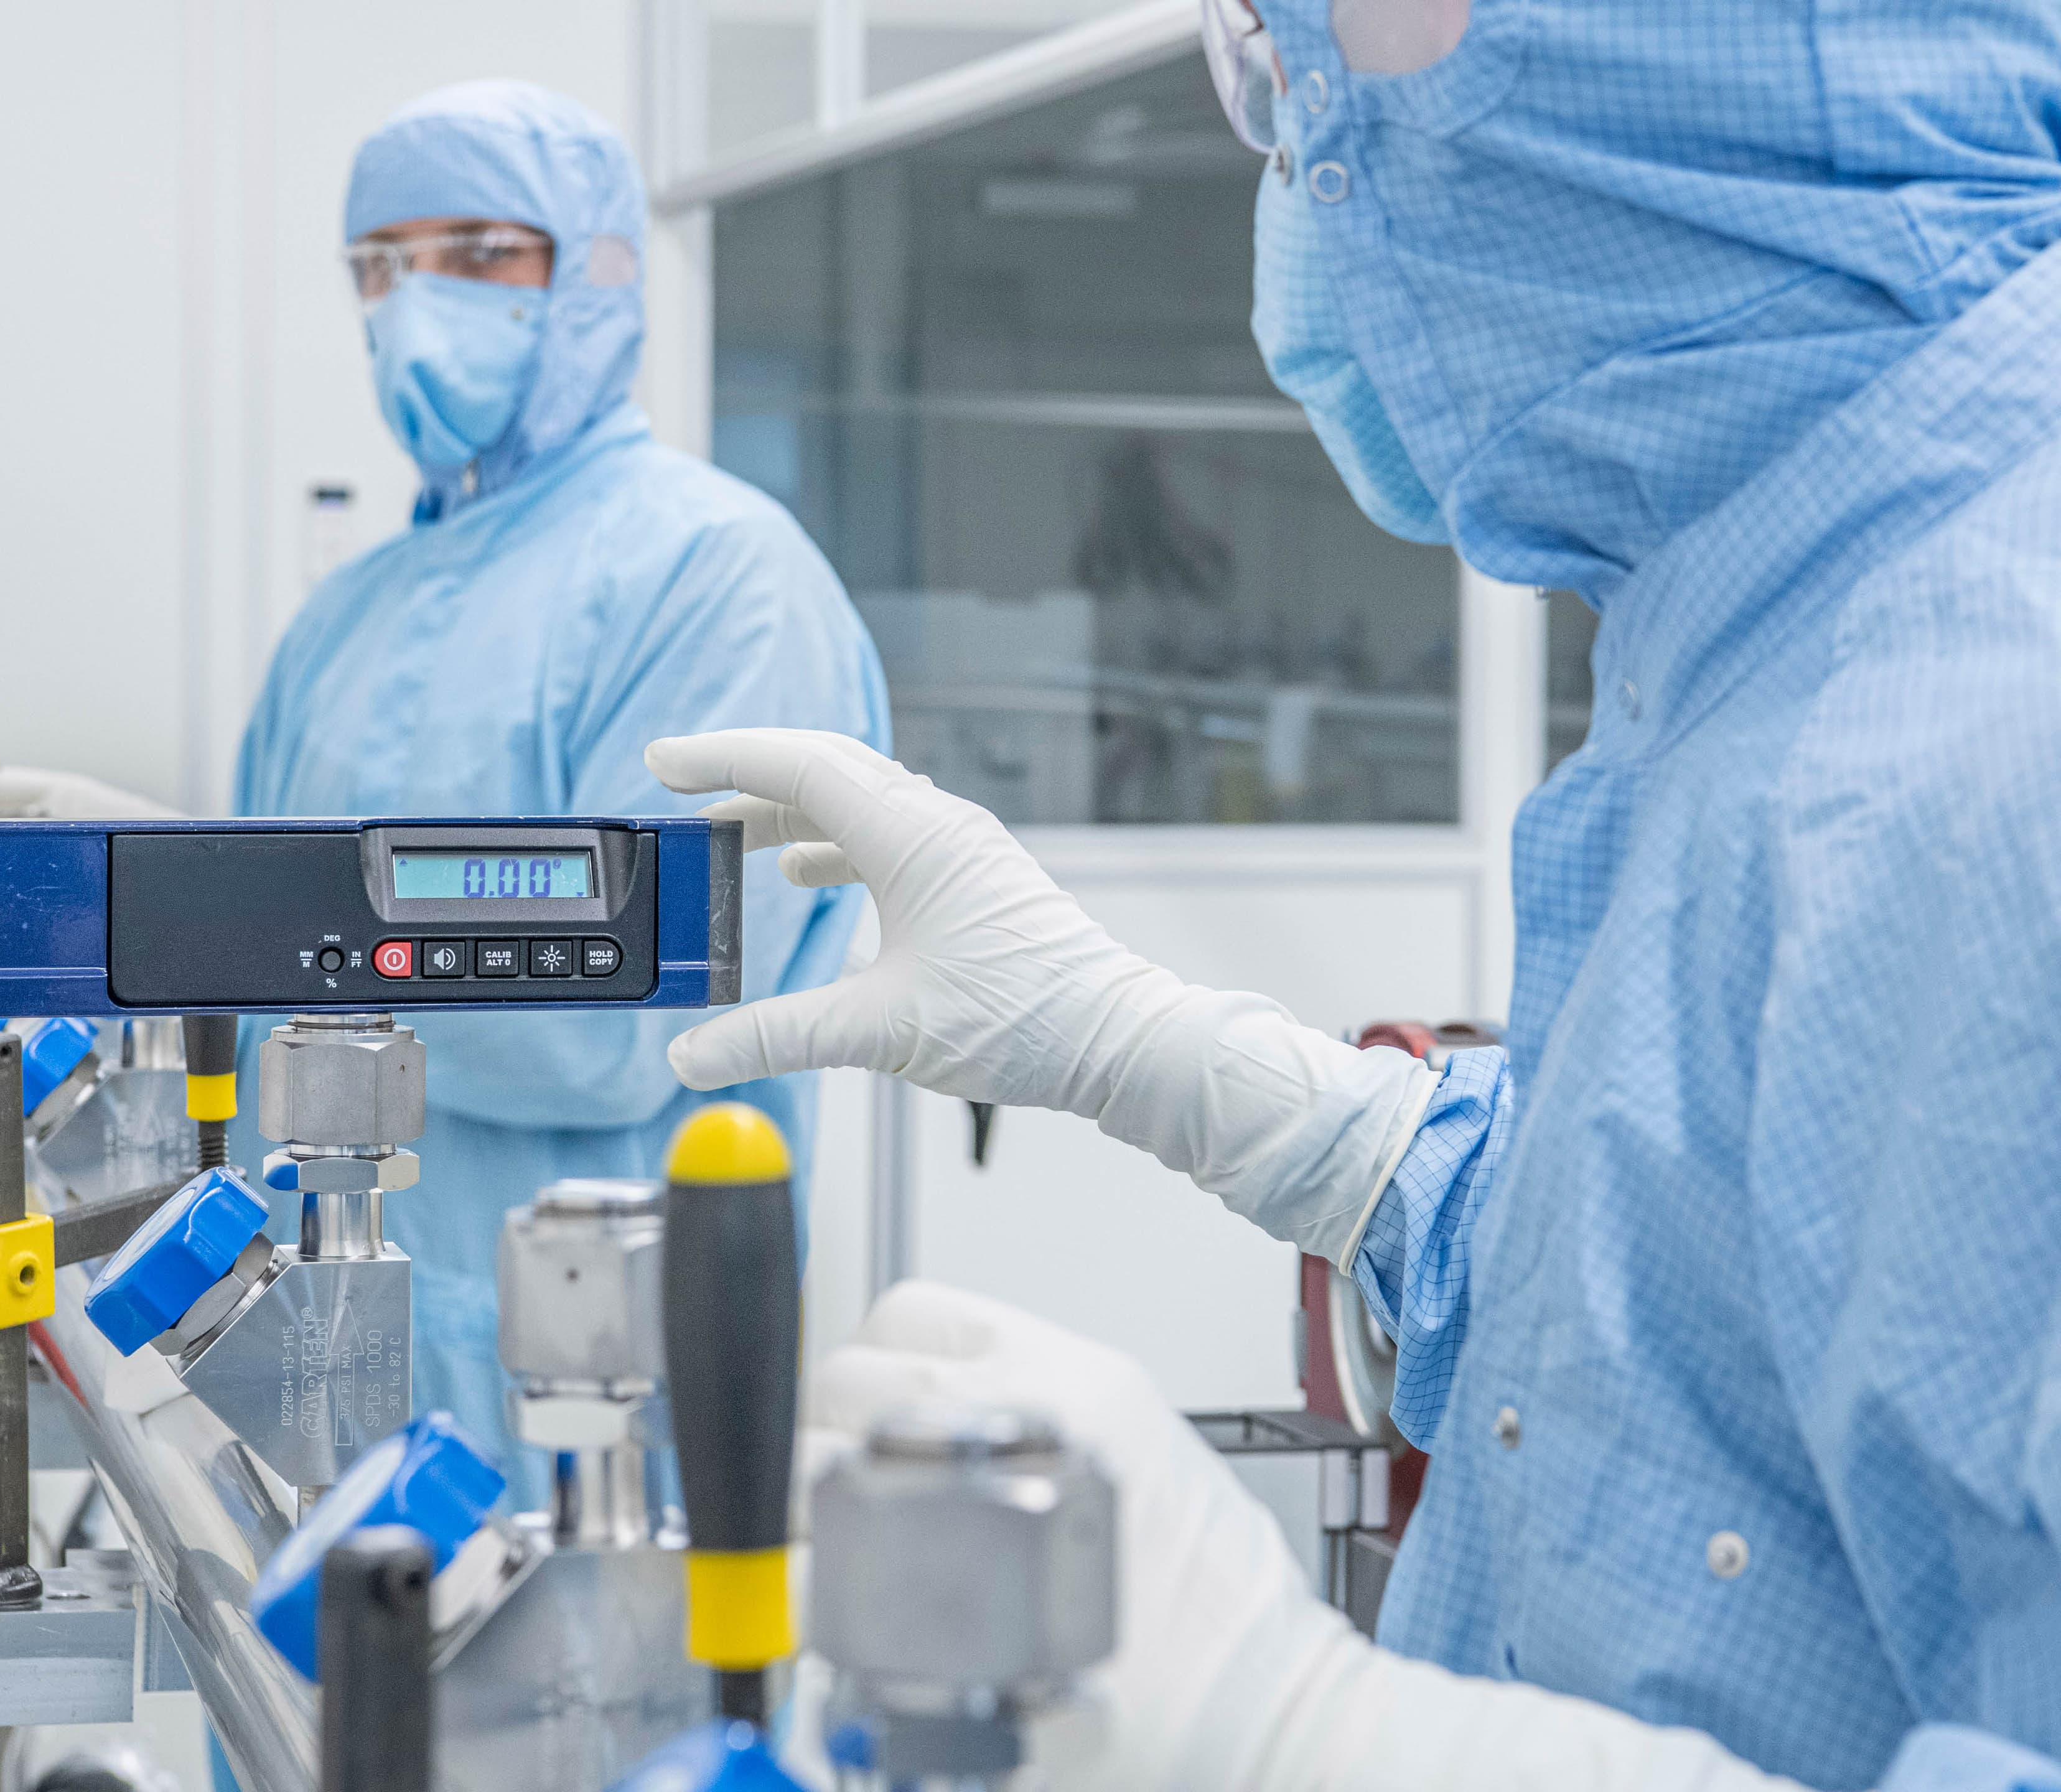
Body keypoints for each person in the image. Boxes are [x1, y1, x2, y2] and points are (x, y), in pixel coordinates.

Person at [640, 0, 2061, 1781]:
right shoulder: (1754, 644)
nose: (1298, 134)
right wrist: (1140, 1043)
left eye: (1324, 30)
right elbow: (1669, 1311)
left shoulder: (1995, 742)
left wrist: (1291, 1726)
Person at [0, 81, 889, 1501]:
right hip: (299, 1356)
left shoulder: (717, 579)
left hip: (584, 1392)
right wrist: (146, 917)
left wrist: (223, 927)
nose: (414, 301)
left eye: (474, 253)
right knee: (288, 1715)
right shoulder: (351, 617)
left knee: (563, 1710)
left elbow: (619, 1020)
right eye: (378, 268)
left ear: (592, 275)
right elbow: (272, 956)